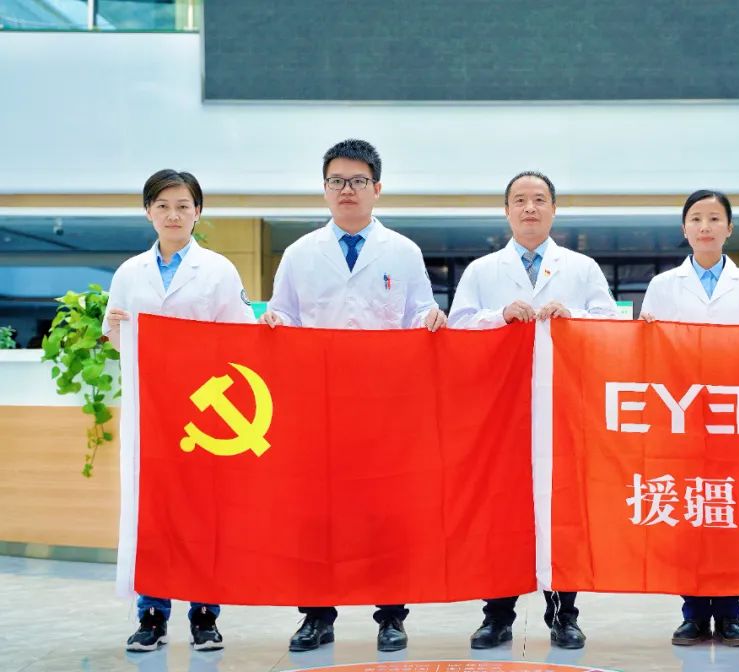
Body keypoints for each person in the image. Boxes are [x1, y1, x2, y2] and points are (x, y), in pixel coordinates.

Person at [259, 138, 446, 654]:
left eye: (358, 181)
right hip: (317, 405)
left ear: (376, 188)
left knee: (385, 512)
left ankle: (391, 615)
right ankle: (317, 615)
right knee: (318, 514)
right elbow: (283, 314)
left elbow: (418, 312)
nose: (347, 190)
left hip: (385, 405)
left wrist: (430, 318)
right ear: (324, 189)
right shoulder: (300, 253)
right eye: (337, 181)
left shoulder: (403, 252)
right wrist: (274, 322)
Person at [448, 170, 617, 650]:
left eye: (539, 200)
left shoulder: (581, 268)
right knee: (500, 509)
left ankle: (564, 615)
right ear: (506, 211)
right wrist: (498, 316)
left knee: (560, 508)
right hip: (500, 410)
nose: (529, 208)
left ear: (554, 210)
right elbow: (458, 327)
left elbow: (609, 324)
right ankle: (497, 614)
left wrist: (572, 318)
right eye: (519, 200)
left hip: (564, 407)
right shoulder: (482, 271)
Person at [104, 169, 255, 652]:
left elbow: (239, 336)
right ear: (148, 212)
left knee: (203, 511)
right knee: (154, 511)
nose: (173, 215)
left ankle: (205, 615)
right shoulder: (129, 272)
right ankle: (151, 614)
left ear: (198, 213)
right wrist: (115, 328)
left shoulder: (218, 270)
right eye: (163, 206)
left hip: (204, 412)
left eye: (183, 206)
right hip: (152, 411)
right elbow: (118, 339)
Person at [640, 189, 739, 647]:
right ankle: (693, 613)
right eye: (696, 218)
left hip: (734, 417)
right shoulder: (663, 286)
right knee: (690, 513)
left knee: (732, 512)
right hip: (682, 416)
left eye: (715, 219)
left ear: (729, 228)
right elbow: (648, 354)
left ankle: (731, 613)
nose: (705, 227)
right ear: (684, 229)